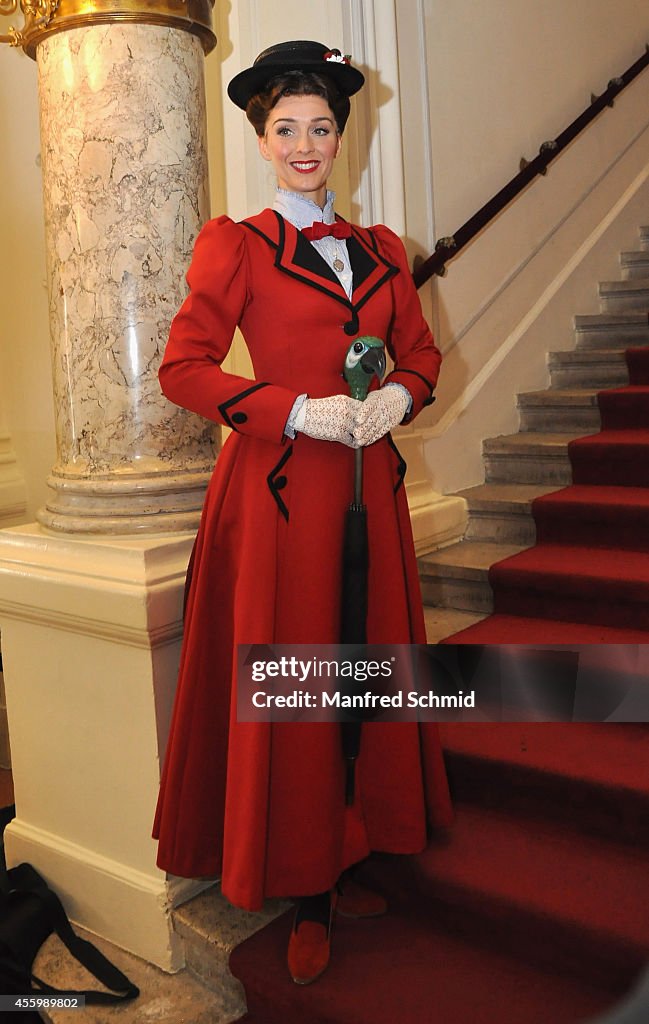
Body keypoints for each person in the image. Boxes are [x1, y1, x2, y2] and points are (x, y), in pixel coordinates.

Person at [153, 39, 452, 986]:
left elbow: (420, 355)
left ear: (340, 136)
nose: (305, 143)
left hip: (374, 491)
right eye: (286, 128)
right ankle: (302, 881)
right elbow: (184, 369)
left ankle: (358, 838)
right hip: (283, 497)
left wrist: (400, 397)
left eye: (320, 127)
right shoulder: (233, 243)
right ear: (261, 138)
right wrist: (293, 408)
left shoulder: (381, 251)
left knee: (363, 668)